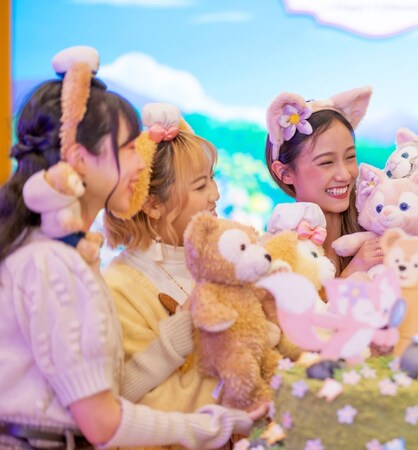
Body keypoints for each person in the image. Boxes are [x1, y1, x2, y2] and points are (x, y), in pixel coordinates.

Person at [0, 47, 260, 449]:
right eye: (127, 148)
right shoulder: (52, 262)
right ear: (80, 158)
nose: (140, 163)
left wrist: (182, 329)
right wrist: (215, 426)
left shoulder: (62, 255)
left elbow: (111, 390)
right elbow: (102, 422)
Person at [102, 103, 222, 419]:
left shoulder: (224, 261)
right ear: (153, 204)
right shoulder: (118, 288)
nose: (215, 195)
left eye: (213, 178)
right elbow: (138, 401)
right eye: (201, 185)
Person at [265, 87, 382, 278]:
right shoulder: (279, 253)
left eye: (350, 157)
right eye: (326, 162)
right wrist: (355, 269)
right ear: (285, 173)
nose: (344, 175)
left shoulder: (377, 223)